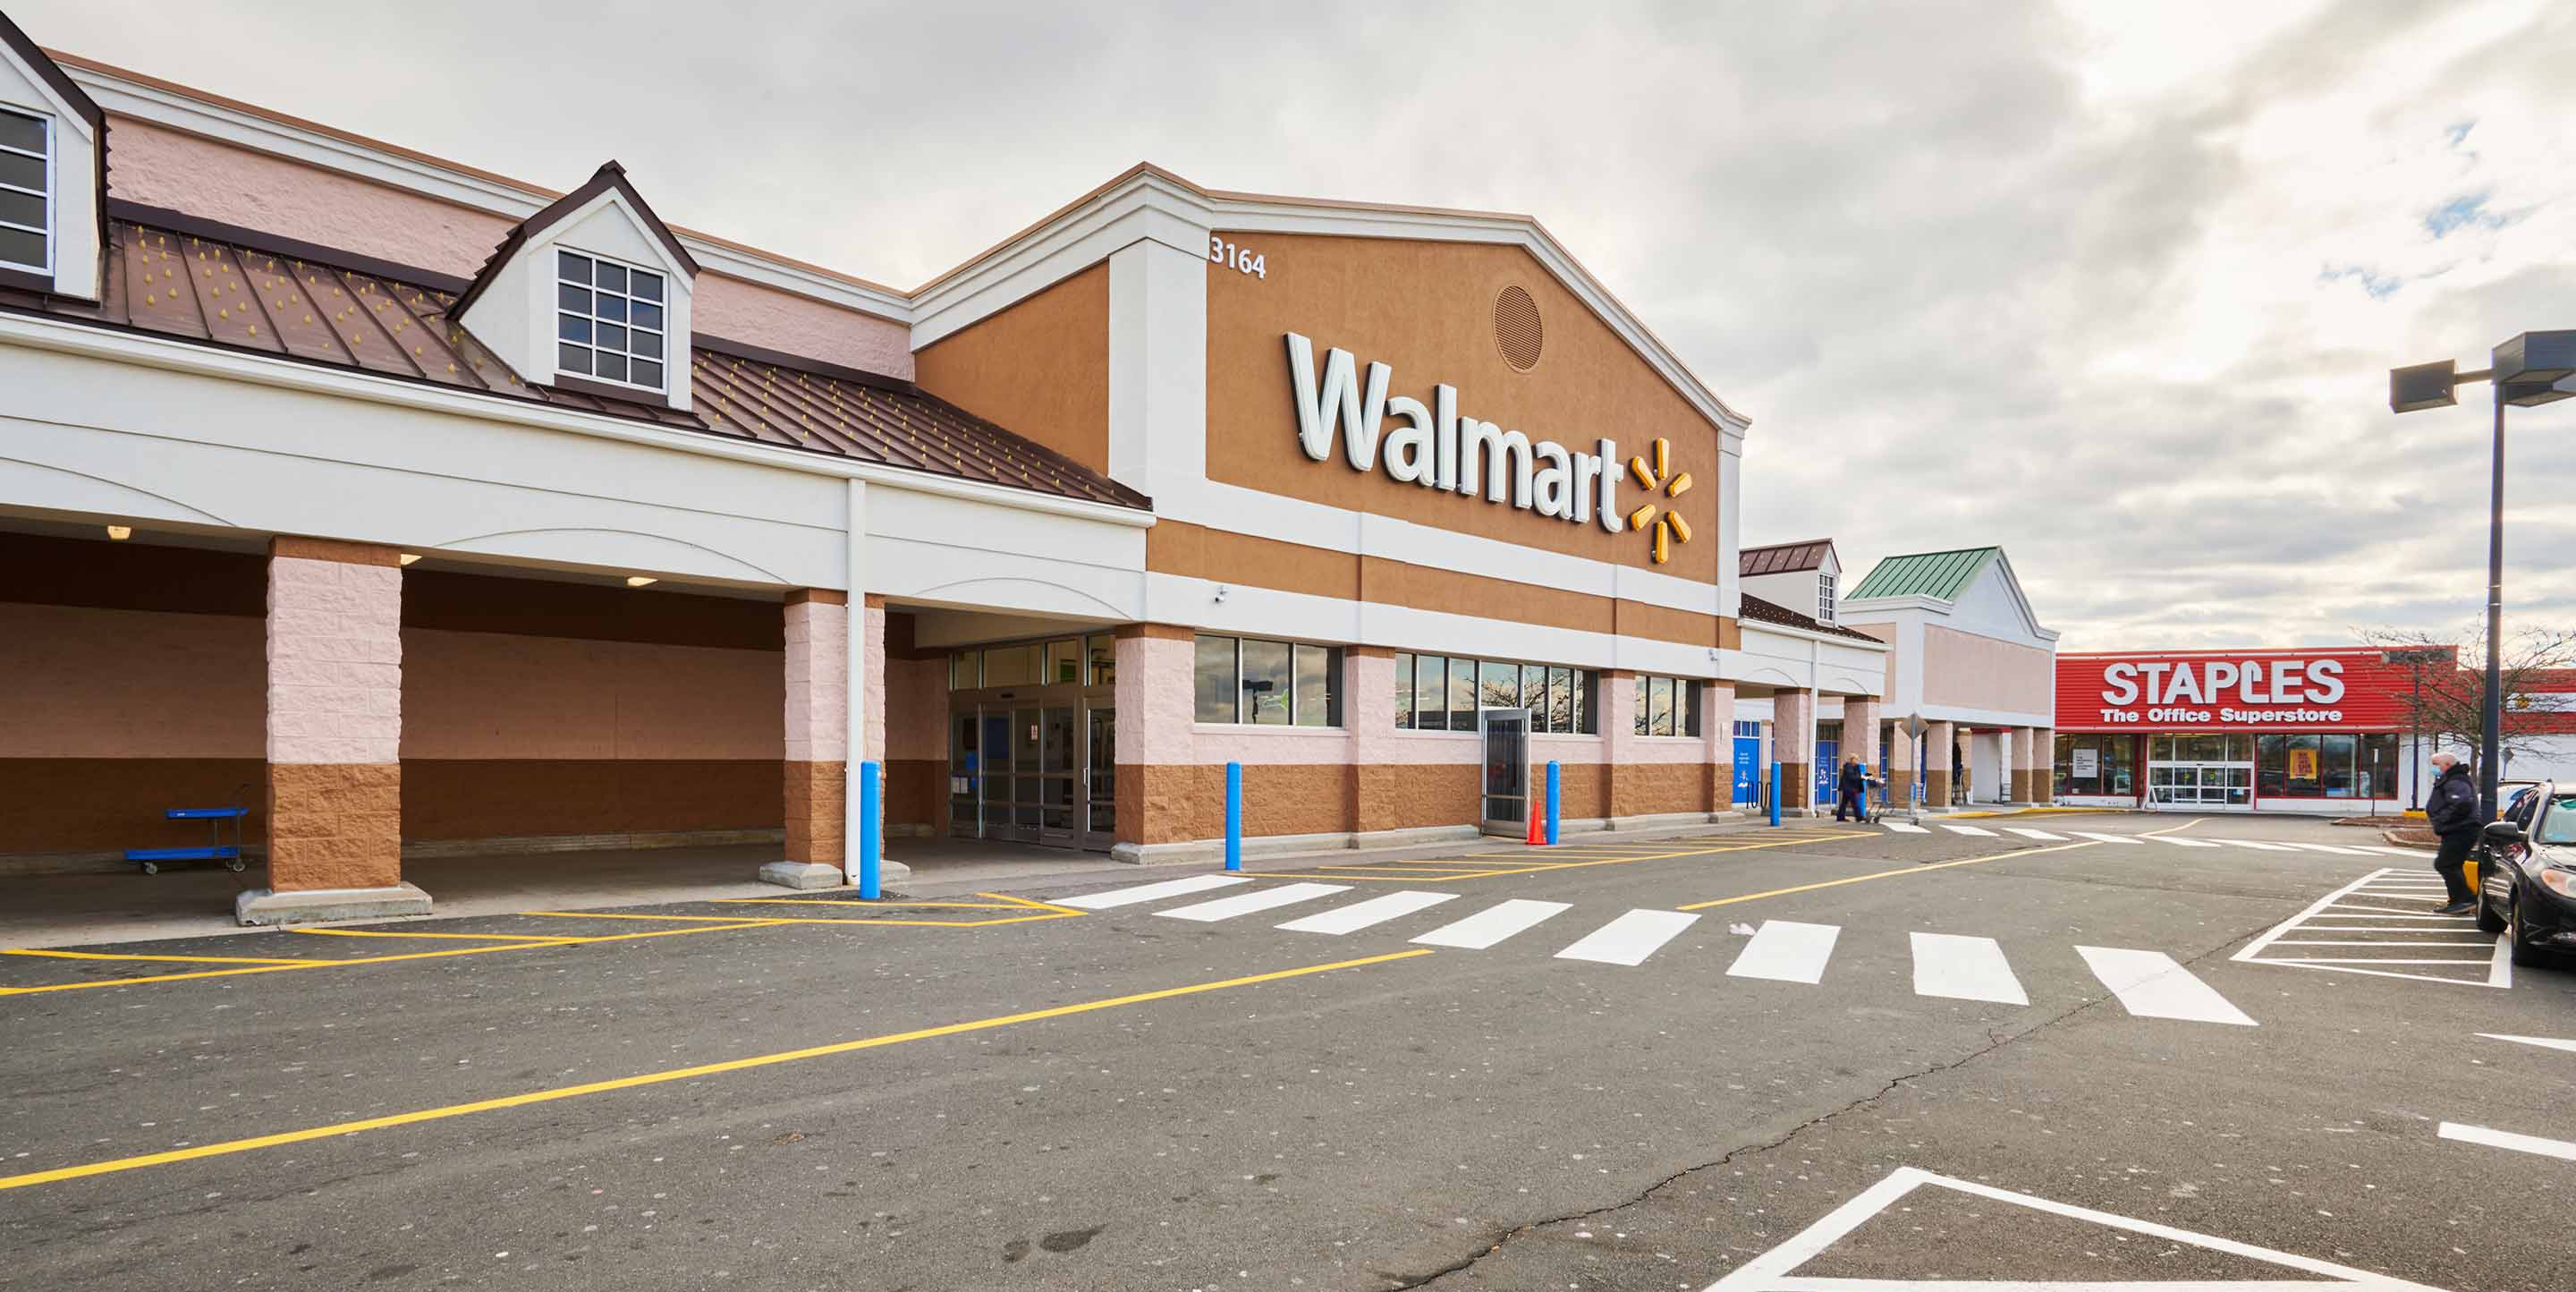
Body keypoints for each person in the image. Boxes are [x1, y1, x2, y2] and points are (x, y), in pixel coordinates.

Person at [2422, 752, 2481, 914]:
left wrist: (2441, 820)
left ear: (2447, 765)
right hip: (2457, 829)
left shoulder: (2456, 781)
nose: (2434, 769)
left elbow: (2461, 804)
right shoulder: (2451, 779)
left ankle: (2465, 898)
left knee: (2445, 863)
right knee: (2452, 864)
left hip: (2462, 829)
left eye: (2436, 765)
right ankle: (2458, 901)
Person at [1835, 752, 1873, 823]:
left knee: (1844, 803)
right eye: (1856, 759)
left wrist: (1867, 775)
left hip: (1851, 787)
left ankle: (1840, 817)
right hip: (1849, 788)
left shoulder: (1855, 766)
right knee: (1855, 802)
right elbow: (1852, 777)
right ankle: (1859, 817)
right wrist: (1861, 777)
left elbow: (1858, 775)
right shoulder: (1848, 766)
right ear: (1852, 759)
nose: (1857, 761)